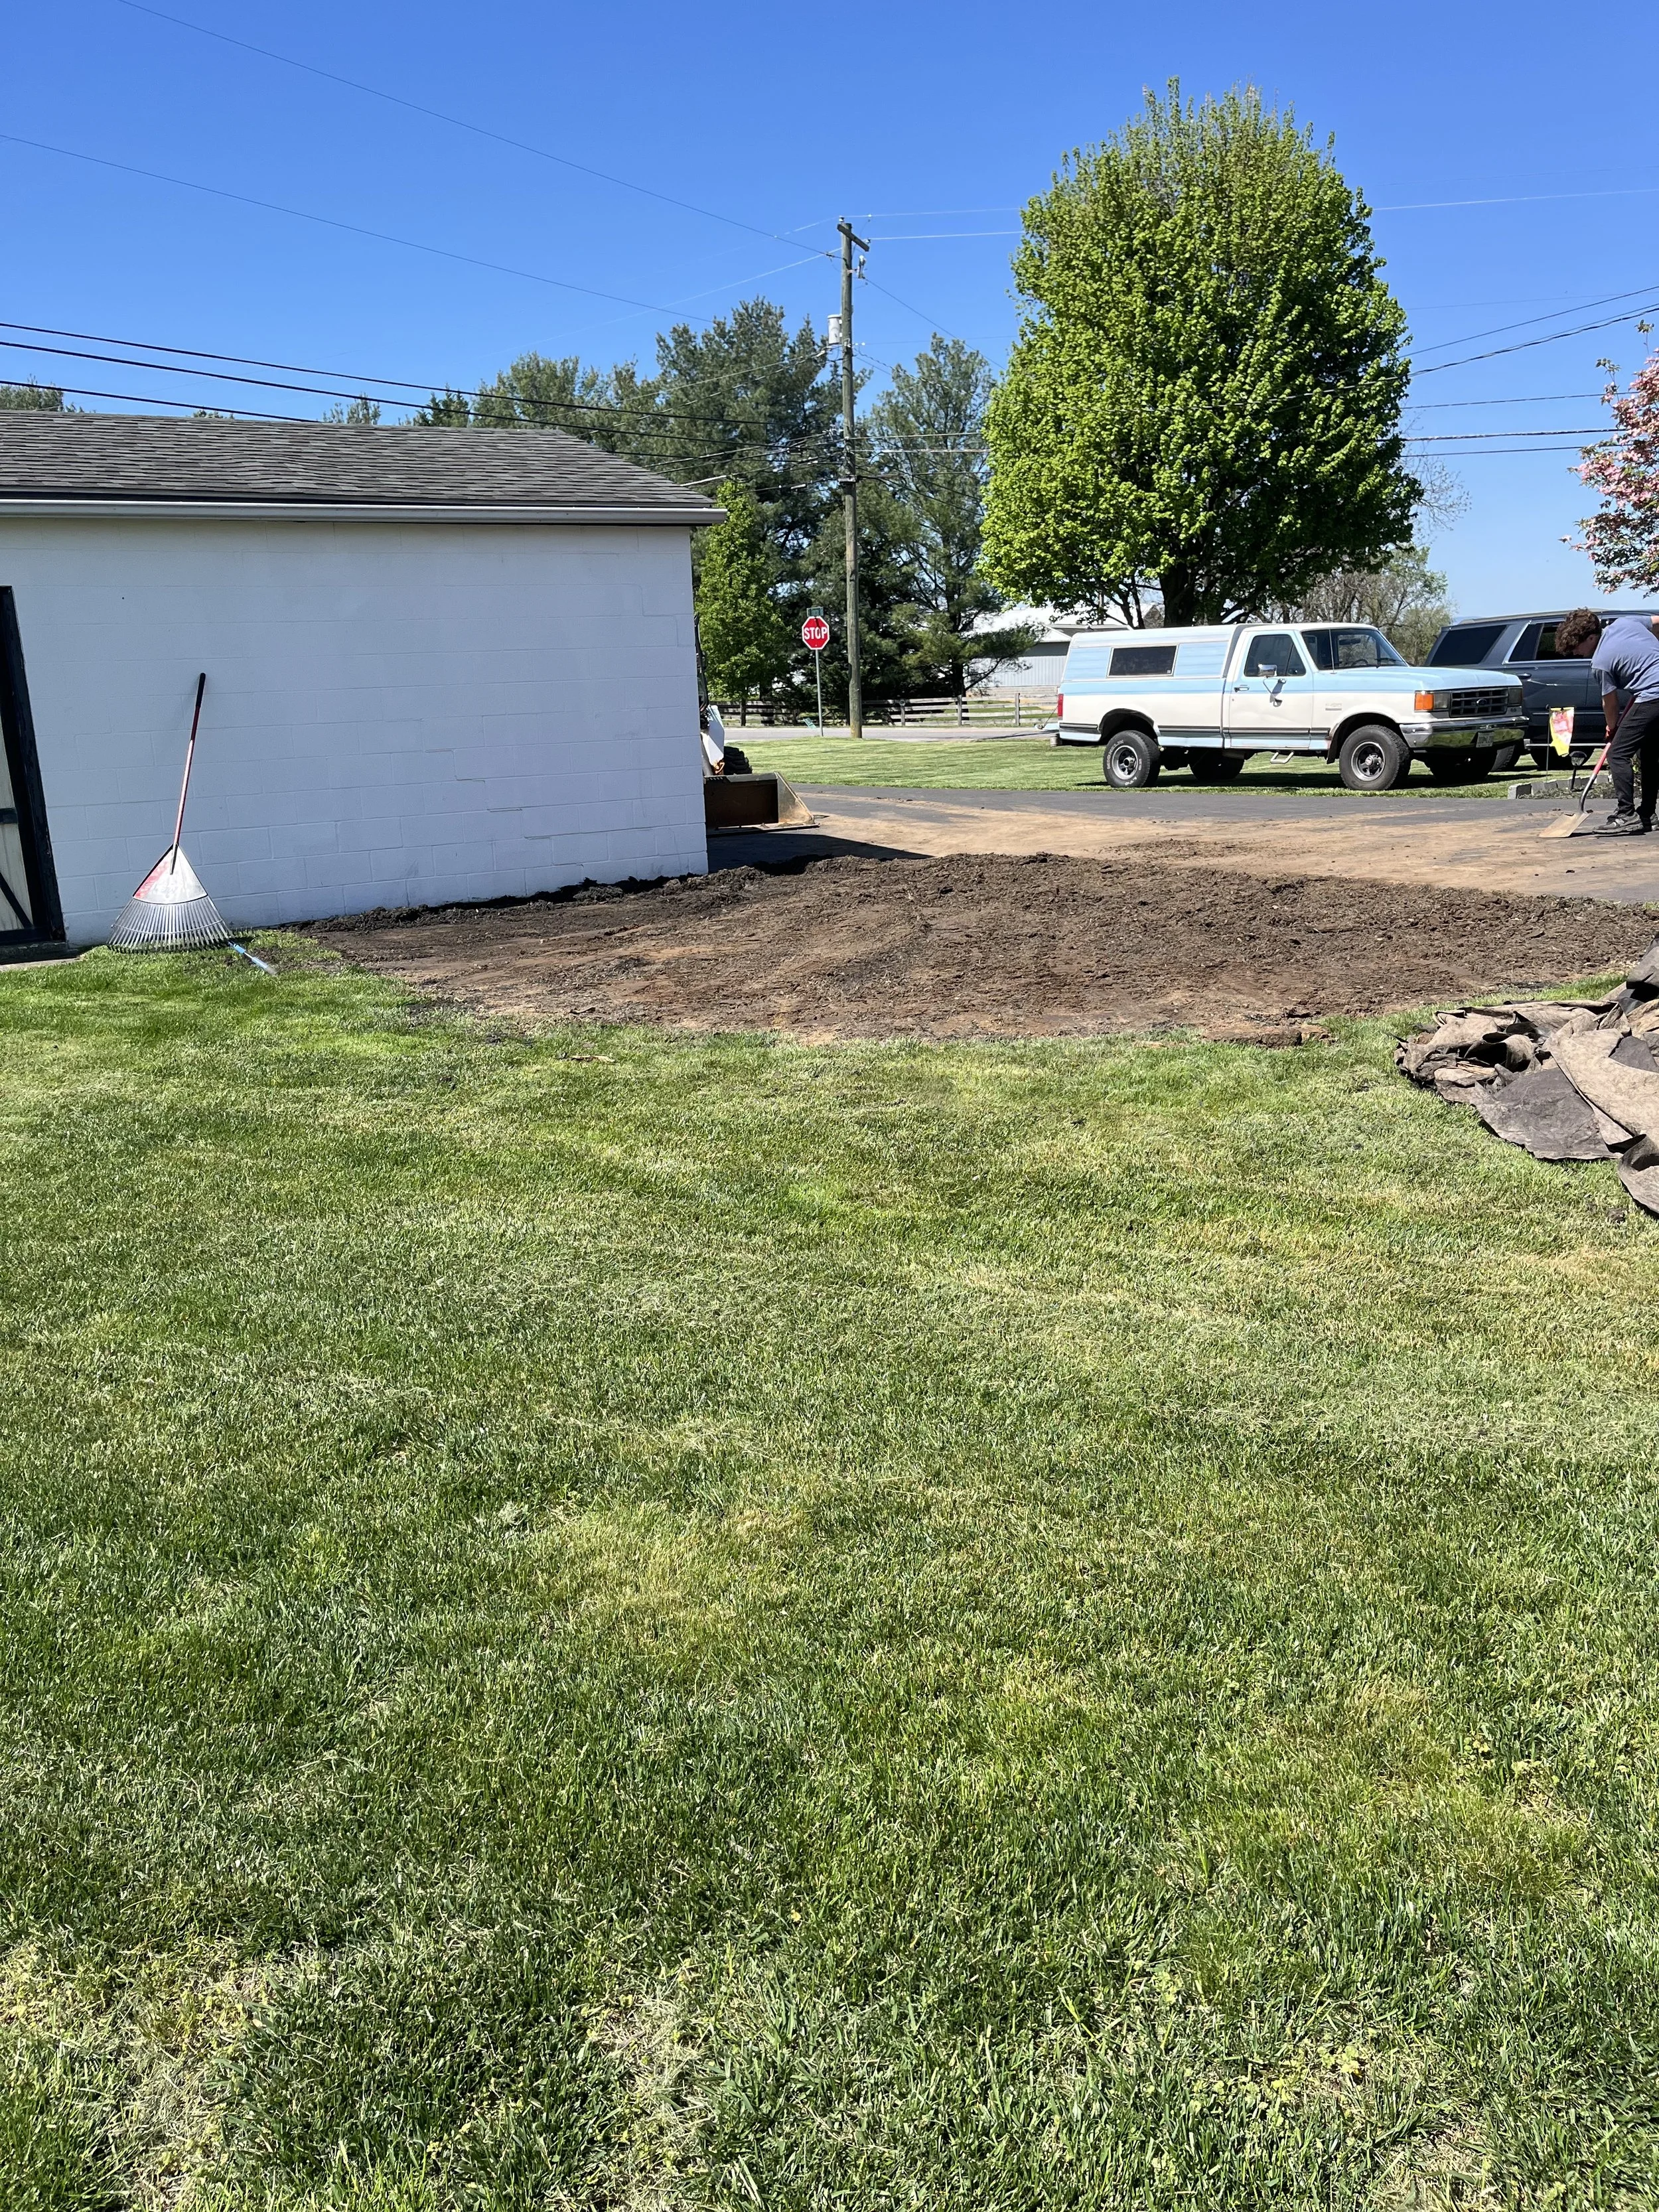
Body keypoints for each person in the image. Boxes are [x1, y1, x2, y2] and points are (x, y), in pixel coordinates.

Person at [1556, 607, 1659, 835]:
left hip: (1653, 695)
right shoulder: (1625, 623)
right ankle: (1647, 814)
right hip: (1652, 693)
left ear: (1592, 637)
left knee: (1618, 753)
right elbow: (1657, 622)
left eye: (1576, 646)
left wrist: (1612, 729)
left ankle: (1626, 814)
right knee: (1646, 751)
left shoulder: (1600, 662)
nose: (1574, 652)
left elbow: (1610, 704)